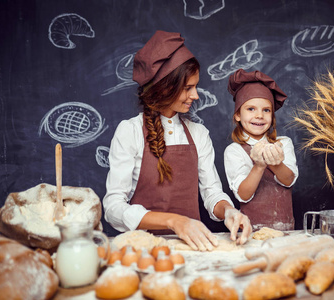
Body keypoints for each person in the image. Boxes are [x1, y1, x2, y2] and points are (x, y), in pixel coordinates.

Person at [103, 31, 252, 251]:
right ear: (165, 87)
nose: (196, 96)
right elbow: (113, 208)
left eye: (196, 86)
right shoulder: (130, 132)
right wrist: (174, 221)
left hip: (190, 248)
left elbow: (212, 192)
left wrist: (229, 211)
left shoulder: (199, 133)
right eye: (188, 88)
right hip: (141, 250)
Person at [224, 69, 299, 231]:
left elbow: (288, 180)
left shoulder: (283, 143)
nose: (259, 115)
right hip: (250, 231)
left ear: (272, 116)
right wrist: (258, 166)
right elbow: (243, 195)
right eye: (251, 109)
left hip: (285, 230)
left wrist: (275, 163)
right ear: (237, 115)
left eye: (266, 110)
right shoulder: (234, 151)